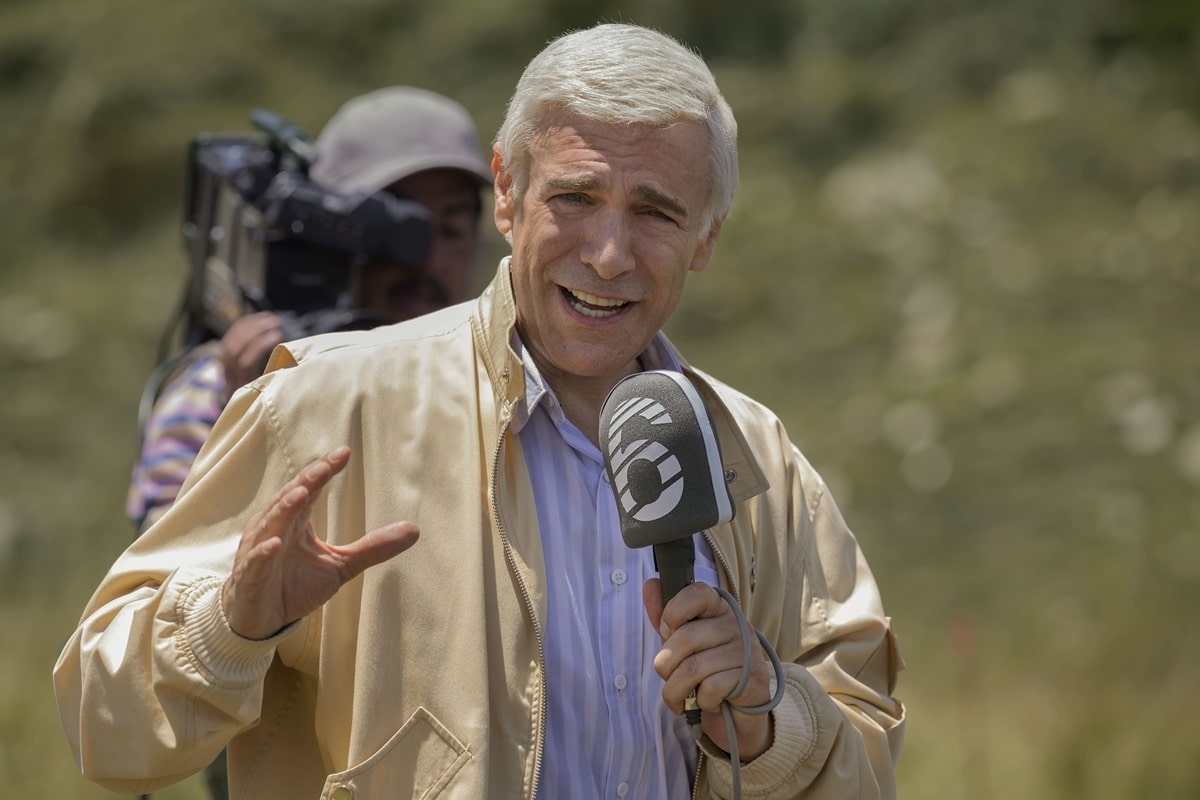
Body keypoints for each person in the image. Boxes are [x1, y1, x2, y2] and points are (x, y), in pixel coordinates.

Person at [55, 23, 905, 800]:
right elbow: (106, 732)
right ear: (507, 191)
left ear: (708, 236)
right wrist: (231, 626)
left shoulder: (757, 458)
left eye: (654, 212)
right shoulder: (324, 405)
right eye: (574, 198)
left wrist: (767, 717)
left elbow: (866, 758)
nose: (607, 255)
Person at [127, 85, 493, 533]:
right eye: (393, 229)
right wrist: (251, 434)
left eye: (450, 230)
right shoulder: (216, 386)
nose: (425, 259)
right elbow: (165, 588)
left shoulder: (507, 385)